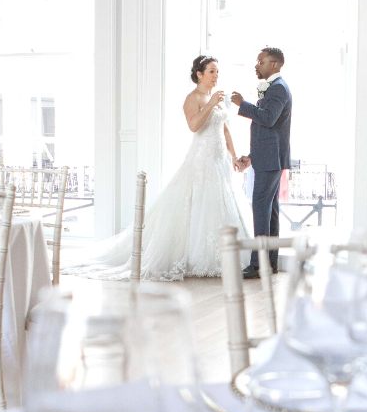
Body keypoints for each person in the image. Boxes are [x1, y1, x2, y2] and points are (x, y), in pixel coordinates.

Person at [66, 56, 254, 280]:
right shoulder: (193, 98)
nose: (216, 76)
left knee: (222, 204)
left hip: (219, 160)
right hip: (201, 160)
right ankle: (196, 258)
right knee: (198, 205)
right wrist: (211, 103)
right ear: (199, 74)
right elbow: (194, 126)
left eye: (217, 72)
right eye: (212, 71)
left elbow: (224, 130)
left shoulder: (216, 98)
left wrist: (233, 156)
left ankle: (226, 257)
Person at [229, 47, 291, 278]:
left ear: (274, 65)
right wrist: (252, 156)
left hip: (271, 160)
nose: (257, 65)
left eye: (261, 61)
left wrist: (242, 104)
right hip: (268, 157)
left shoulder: (278, 89)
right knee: (271, 212)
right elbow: (270, 131)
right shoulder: (275, 88)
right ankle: (269, 264)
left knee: (261, 211)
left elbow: (268, 118)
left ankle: (258, 265)